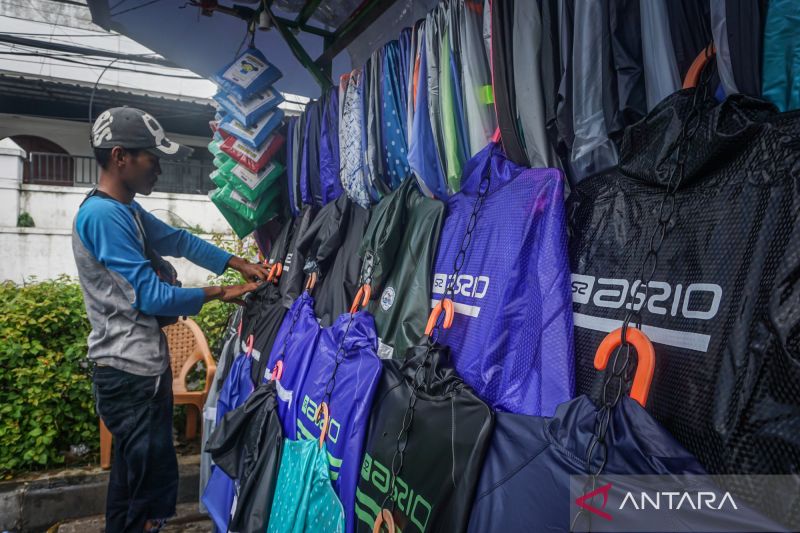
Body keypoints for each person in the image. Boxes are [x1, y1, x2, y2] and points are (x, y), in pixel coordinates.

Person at [72, 107, 267, 532]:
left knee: (130, 485)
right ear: (120, 156)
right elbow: (152, 296)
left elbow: (176, 240)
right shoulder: (104, 216)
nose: (159, 168)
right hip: (130, 376)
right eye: (152, 158)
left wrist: (236, 263)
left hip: (136, 371)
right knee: (148, 494)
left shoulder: (124, 209)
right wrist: (223, 292)